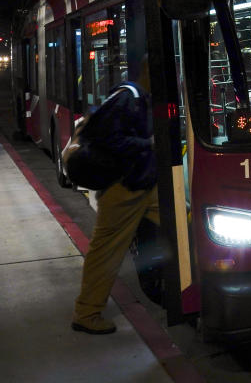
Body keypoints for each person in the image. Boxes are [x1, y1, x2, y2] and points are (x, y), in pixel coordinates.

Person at [72, 57, 158, 335]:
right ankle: (87, 313)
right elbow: (107, 139)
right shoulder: (127, 97)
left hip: (143, 186)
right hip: (124, 190)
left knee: (183, 225)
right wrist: (149, 143)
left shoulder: (134, 96)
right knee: (106, 250)